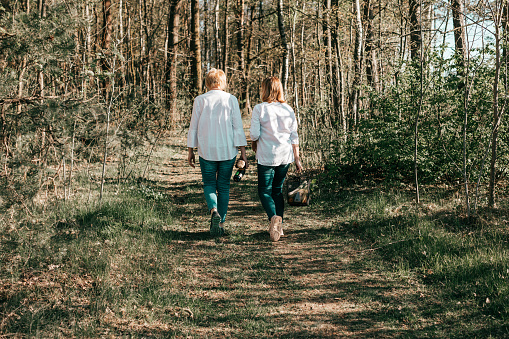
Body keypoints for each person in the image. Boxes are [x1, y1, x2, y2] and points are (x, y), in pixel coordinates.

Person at [187, 68, 248, 236]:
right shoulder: (231, 99)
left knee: (209, 184)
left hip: (206, 151)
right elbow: (237, 127)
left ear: (207, 83)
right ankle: (220, 224)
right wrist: (243, 152)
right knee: (223, 186)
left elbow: (193, 127)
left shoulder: (200, 100)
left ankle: (213, 210)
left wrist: (190, 150)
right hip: (228, 151)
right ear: (223, 82)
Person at [250, 76, 303, 242]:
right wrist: (297, 158)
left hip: (266, 155)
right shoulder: (288, 109)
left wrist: (253, 144)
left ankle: (274, 218)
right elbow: (294, 135)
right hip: (284, 155)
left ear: (264, 90)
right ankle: (279, 228)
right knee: (277, 190)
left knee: (264, 190)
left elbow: (254, 134)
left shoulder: (260, 108)